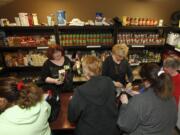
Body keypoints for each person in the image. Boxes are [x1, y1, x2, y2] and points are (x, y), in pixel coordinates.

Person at [117, 63, 177, 135]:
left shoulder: (140, 101)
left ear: (146, 80)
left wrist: (124, 104)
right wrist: (140, 96)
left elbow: (124, 125)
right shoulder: (171, 97)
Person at [68, 55, 119, 135]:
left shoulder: (80, 91)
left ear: (85, 71)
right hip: (111, 129)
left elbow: (72, 118)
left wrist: (73, 101)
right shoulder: (109, 82)